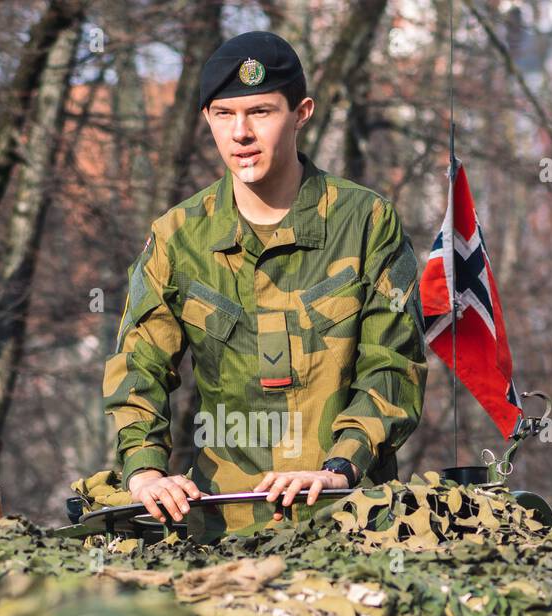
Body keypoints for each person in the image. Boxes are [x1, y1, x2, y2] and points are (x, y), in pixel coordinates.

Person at [103, 30, 427, 542]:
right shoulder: (178, 237)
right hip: (219, 528)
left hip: (348, 522)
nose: (241, 134)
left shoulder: (365, 222)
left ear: (301, 113)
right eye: (224, 114)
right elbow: (139, 368)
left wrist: (338, 469)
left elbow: (393, 368)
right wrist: (144, 470)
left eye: (261, 111)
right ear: (207, 119)